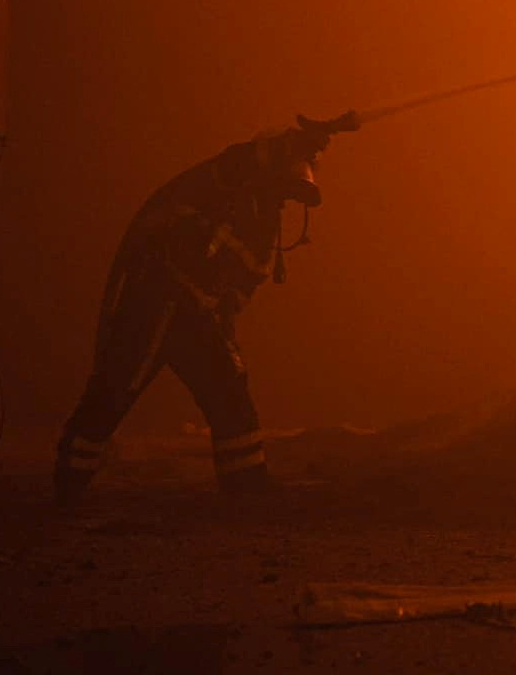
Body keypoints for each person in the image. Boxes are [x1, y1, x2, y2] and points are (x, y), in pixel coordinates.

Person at [53, 113, 356, 506]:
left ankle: (245, 484)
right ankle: (70, 480)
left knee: (229, 392)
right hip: (159, 302)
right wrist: (301, 140)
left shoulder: (264, 221)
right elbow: (243, 160)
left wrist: (224, 320)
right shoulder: (229, 181)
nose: (290, 192)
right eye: (288, 177)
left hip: (200, 315)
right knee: (117, 389)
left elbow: (242, 284)